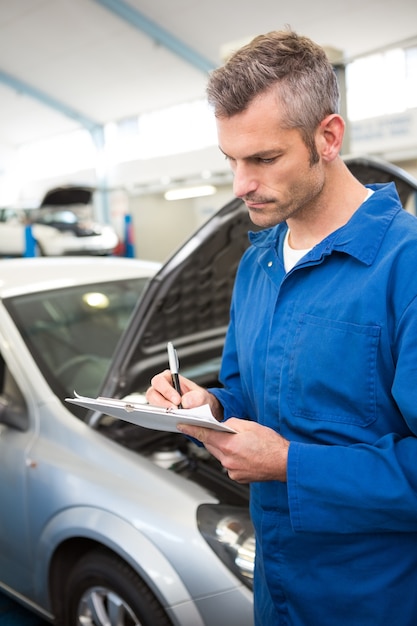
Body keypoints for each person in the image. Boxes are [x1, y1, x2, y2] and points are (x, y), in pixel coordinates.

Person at [146, 29, 417, 625]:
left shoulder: (407, 268)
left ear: (328, 136)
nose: (241, 185)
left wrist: (291, 464)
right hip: (276, 591)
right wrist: (204, 406)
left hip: (379, 601)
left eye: (264, 159)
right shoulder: (258, 262)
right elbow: (246, 391)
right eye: (231, 160)